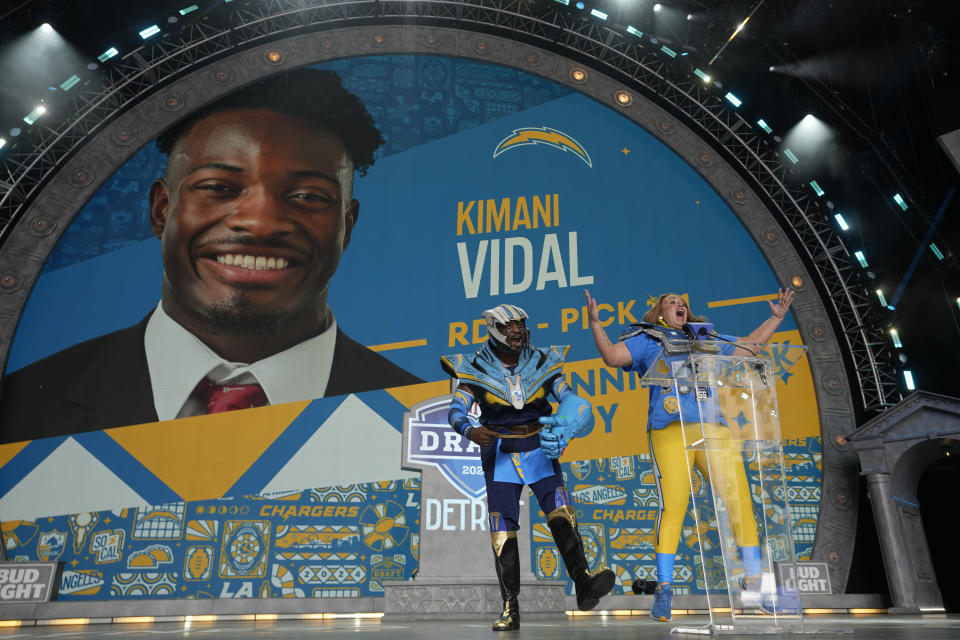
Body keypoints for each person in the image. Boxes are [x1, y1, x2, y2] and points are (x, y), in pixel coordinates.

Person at [0, 69, 420, 444]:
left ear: (347, 227)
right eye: (219, 188)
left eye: (308, 196)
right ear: (162, 210)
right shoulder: (18, 410)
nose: (260, 222)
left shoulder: (432, 425)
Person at [584, 287, 795, 622]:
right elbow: (612, 357)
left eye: (683, 302)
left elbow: (749, 349)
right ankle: (664, 589)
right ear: (659, 313)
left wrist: (776, 318)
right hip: (670, 430)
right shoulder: (647, 337)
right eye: (672, 303)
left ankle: (755, 584)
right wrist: (595, 324)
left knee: (740, 501)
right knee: (675, 507)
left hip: (714, 429)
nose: (680, 305)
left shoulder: (705, 336)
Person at [441, 304, 615, 631]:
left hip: (539, 445)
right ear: (495, 329)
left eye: (520, 325)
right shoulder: (474, 367)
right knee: (502, 529)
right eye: (510, 327)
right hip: (500, 450)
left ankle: (583, 583)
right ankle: (510, 606)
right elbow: (456, 410)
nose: (517, 332)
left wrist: (571, 421)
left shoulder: (542, 361)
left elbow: (570, 399)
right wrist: (469, 430)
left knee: (561, 512)